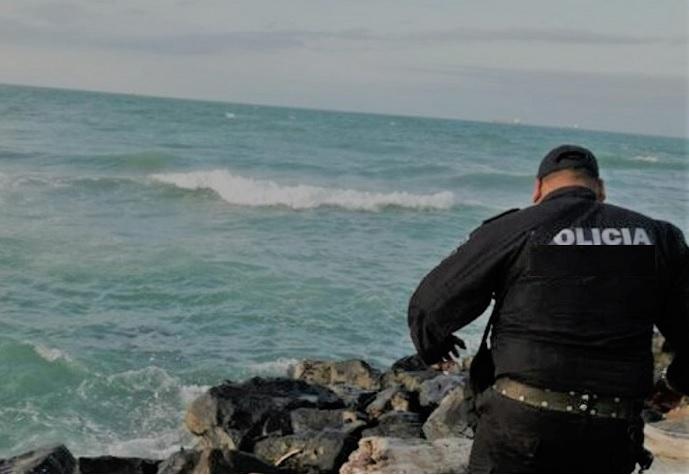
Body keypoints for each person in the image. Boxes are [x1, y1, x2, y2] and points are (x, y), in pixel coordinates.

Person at [407, 144, 689, 473]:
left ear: (538, 188)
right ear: (599, 190)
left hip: (521, 421)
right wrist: (675, 383)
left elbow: (430, 305)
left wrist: (434, 347)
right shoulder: (660, 237)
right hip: (612, 426)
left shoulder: (515, 227)